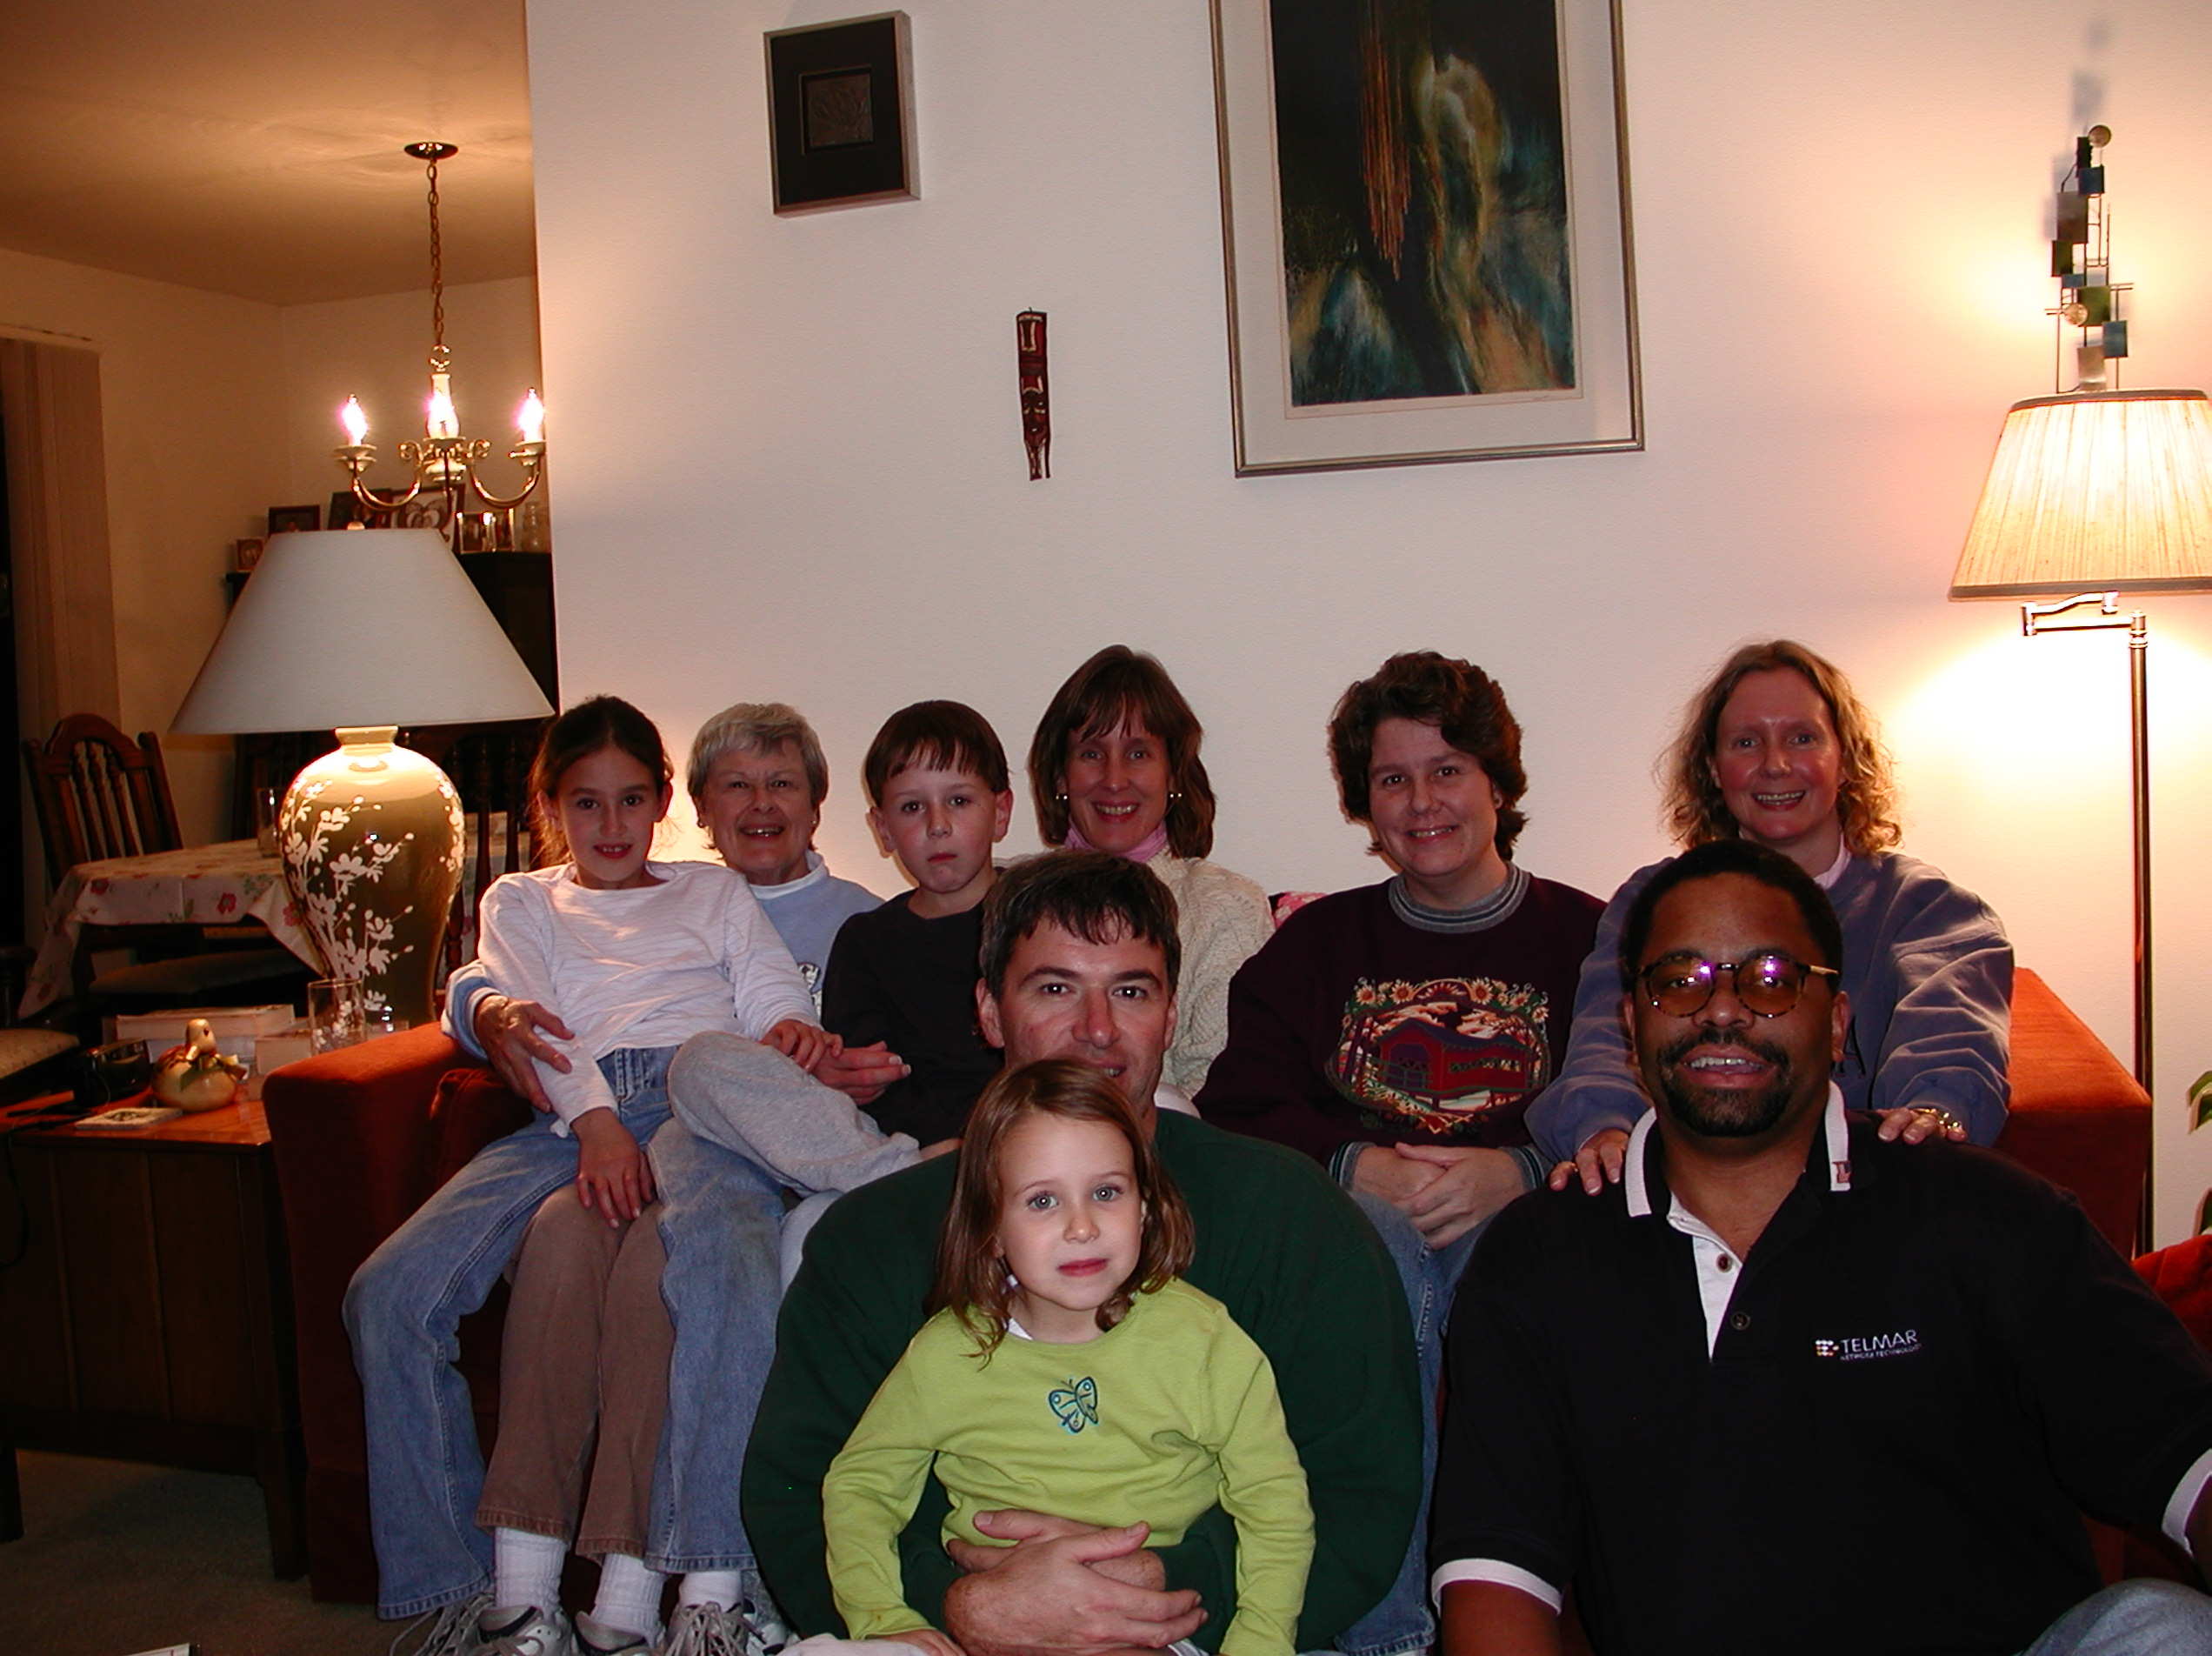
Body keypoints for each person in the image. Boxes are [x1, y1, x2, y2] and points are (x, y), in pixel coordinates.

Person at [1432, 839, 2212, 1656]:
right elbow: (1497, 1575)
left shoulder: (1985, 1214)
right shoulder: (1543, 1256)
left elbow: (2186, 1456)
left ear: (1837, 1023)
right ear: (1632, 1024)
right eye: (1681, 980)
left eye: (1771, 979)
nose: (1723, 1009)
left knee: (2169, 1625)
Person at [743, 852, 1420, 1656]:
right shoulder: (872, 1240)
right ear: (990, 1012)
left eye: (1131, 991)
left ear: (1171, 1015)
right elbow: (803, 1495)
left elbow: (1359, 1498)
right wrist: (959, 1604)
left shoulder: (1292, 1218)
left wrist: (1157, 1585)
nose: (1098, 1029)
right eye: (1055, 989)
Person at [342, 698, 831, 1651]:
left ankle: (705, 1584)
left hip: (698, 1101)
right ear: (550, 807)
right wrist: (599, 1127)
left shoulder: (712, 893)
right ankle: (457, 1589)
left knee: (701, 1273)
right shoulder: (520, 901)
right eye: (586, 802)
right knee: (386, 1294)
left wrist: (785, 1028)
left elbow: (766, 982)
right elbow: (534, 1022)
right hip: (572, 1111)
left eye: (632, 799)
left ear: (663, 803)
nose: (612, 824)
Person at [1197, 650, 1601, 1656]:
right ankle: (1394, 1627)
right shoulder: (1315, 945)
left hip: (1524, 1226)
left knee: (1498, 1254)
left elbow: (1628, 1096)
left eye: (1448, 769)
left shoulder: (1590, 939)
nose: (1422, 802)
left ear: (1498, 782)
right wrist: (1353, 1164)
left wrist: (1518, 1168)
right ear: (1365, 805)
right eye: (1392, 778)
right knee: (1381, 1242)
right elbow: (1237, 1101)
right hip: (1360, 1229)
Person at [823, 1060, 1312, 1656]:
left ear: (1145, 1207)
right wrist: (882, 1616)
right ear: (991, 1228)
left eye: (1106, 1192)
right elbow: (861, 1487)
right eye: (1042, 1201)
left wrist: (1261, 1640)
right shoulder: (946, 1353)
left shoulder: (1204, 1340)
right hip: (994, 1627)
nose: (1081, 1227)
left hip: (1147, 1630)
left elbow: (1275, 1504)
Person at [1529, 639, 2012, 1192]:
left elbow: (1952, 1036)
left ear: (1846, 760)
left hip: (1865, 1190)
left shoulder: (1930, 910)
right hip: (1695, 1192)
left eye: (1802, 738)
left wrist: (1933, 1112)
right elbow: (1604, 1041)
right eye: (1746, 742)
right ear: (1713, 769)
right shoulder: (1651, 902)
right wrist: (1603, 1132)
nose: (1776, 765)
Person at [1029, 645, 1272, 1097]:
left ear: (1173, 773)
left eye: (1138, 753)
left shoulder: (1226, 907)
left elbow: (1222, 1086)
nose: (1114, 779)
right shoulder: (1010, 895)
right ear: (1061, 776)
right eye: (1091, 753)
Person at [820, 699, 1016, 1146]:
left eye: (959, 801)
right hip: (912, 1151)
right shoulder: (865, 942)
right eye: (912, 807)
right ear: (883, 829)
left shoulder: (1041, 915)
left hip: (1030, 1133)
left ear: (1001, 812)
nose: (938, 825)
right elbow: (871, 1084)